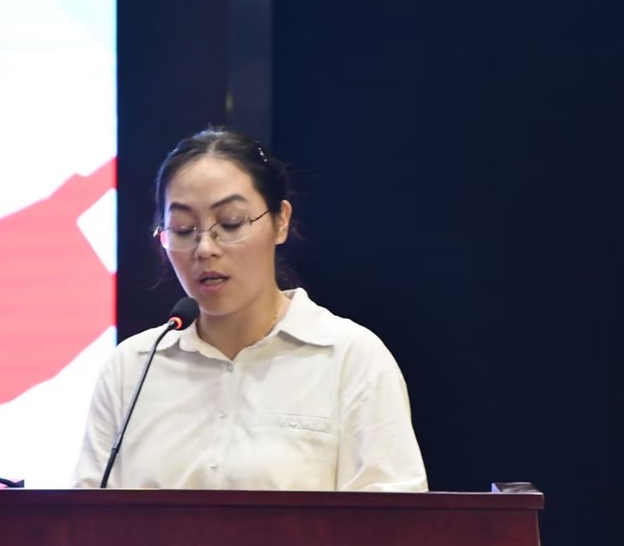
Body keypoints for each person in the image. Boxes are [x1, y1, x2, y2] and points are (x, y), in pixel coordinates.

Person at [73, 128, 428, 491]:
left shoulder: (350, 359)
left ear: (280, 221)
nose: (204, 248)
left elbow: (393, 520)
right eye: (182, 229)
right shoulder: (131, 369)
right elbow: (84, 520)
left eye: (231, 223)